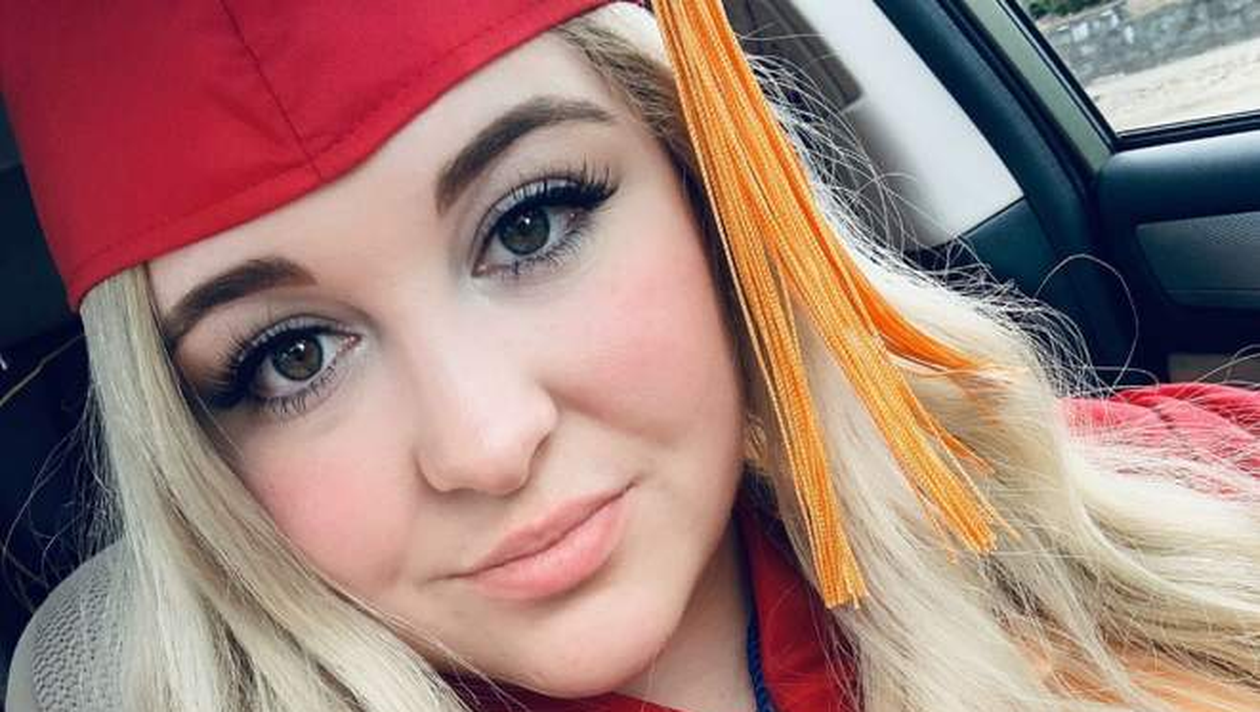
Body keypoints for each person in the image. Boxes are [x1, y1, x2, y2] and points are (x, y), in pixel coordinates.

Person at [3, 2, 1258, 711]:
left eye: (531, 223)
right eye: (289, 357)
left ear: (712, 195)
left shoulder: (1199, 485)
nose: (486, 443)